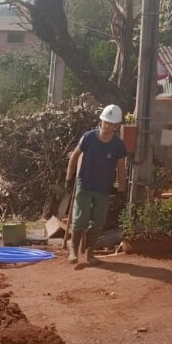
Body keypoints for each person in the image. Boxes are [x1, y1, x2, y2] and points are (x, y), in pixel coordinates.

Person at [65, 104, 128, 265]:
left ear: (115, 125)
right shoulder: (89, 137)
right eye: (105, 122)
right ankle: (73, 250)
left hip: (103, 188)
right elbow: (74, 156)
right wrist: (69, 177)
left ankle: (90, 253)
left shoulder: (118, 145)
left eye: (110, 124)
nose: (107, 126)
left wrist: (121, 189)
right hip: (85, 184)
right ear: (101, 121)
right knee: (81, 218)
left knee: (98, 221)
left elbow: (121, 167)